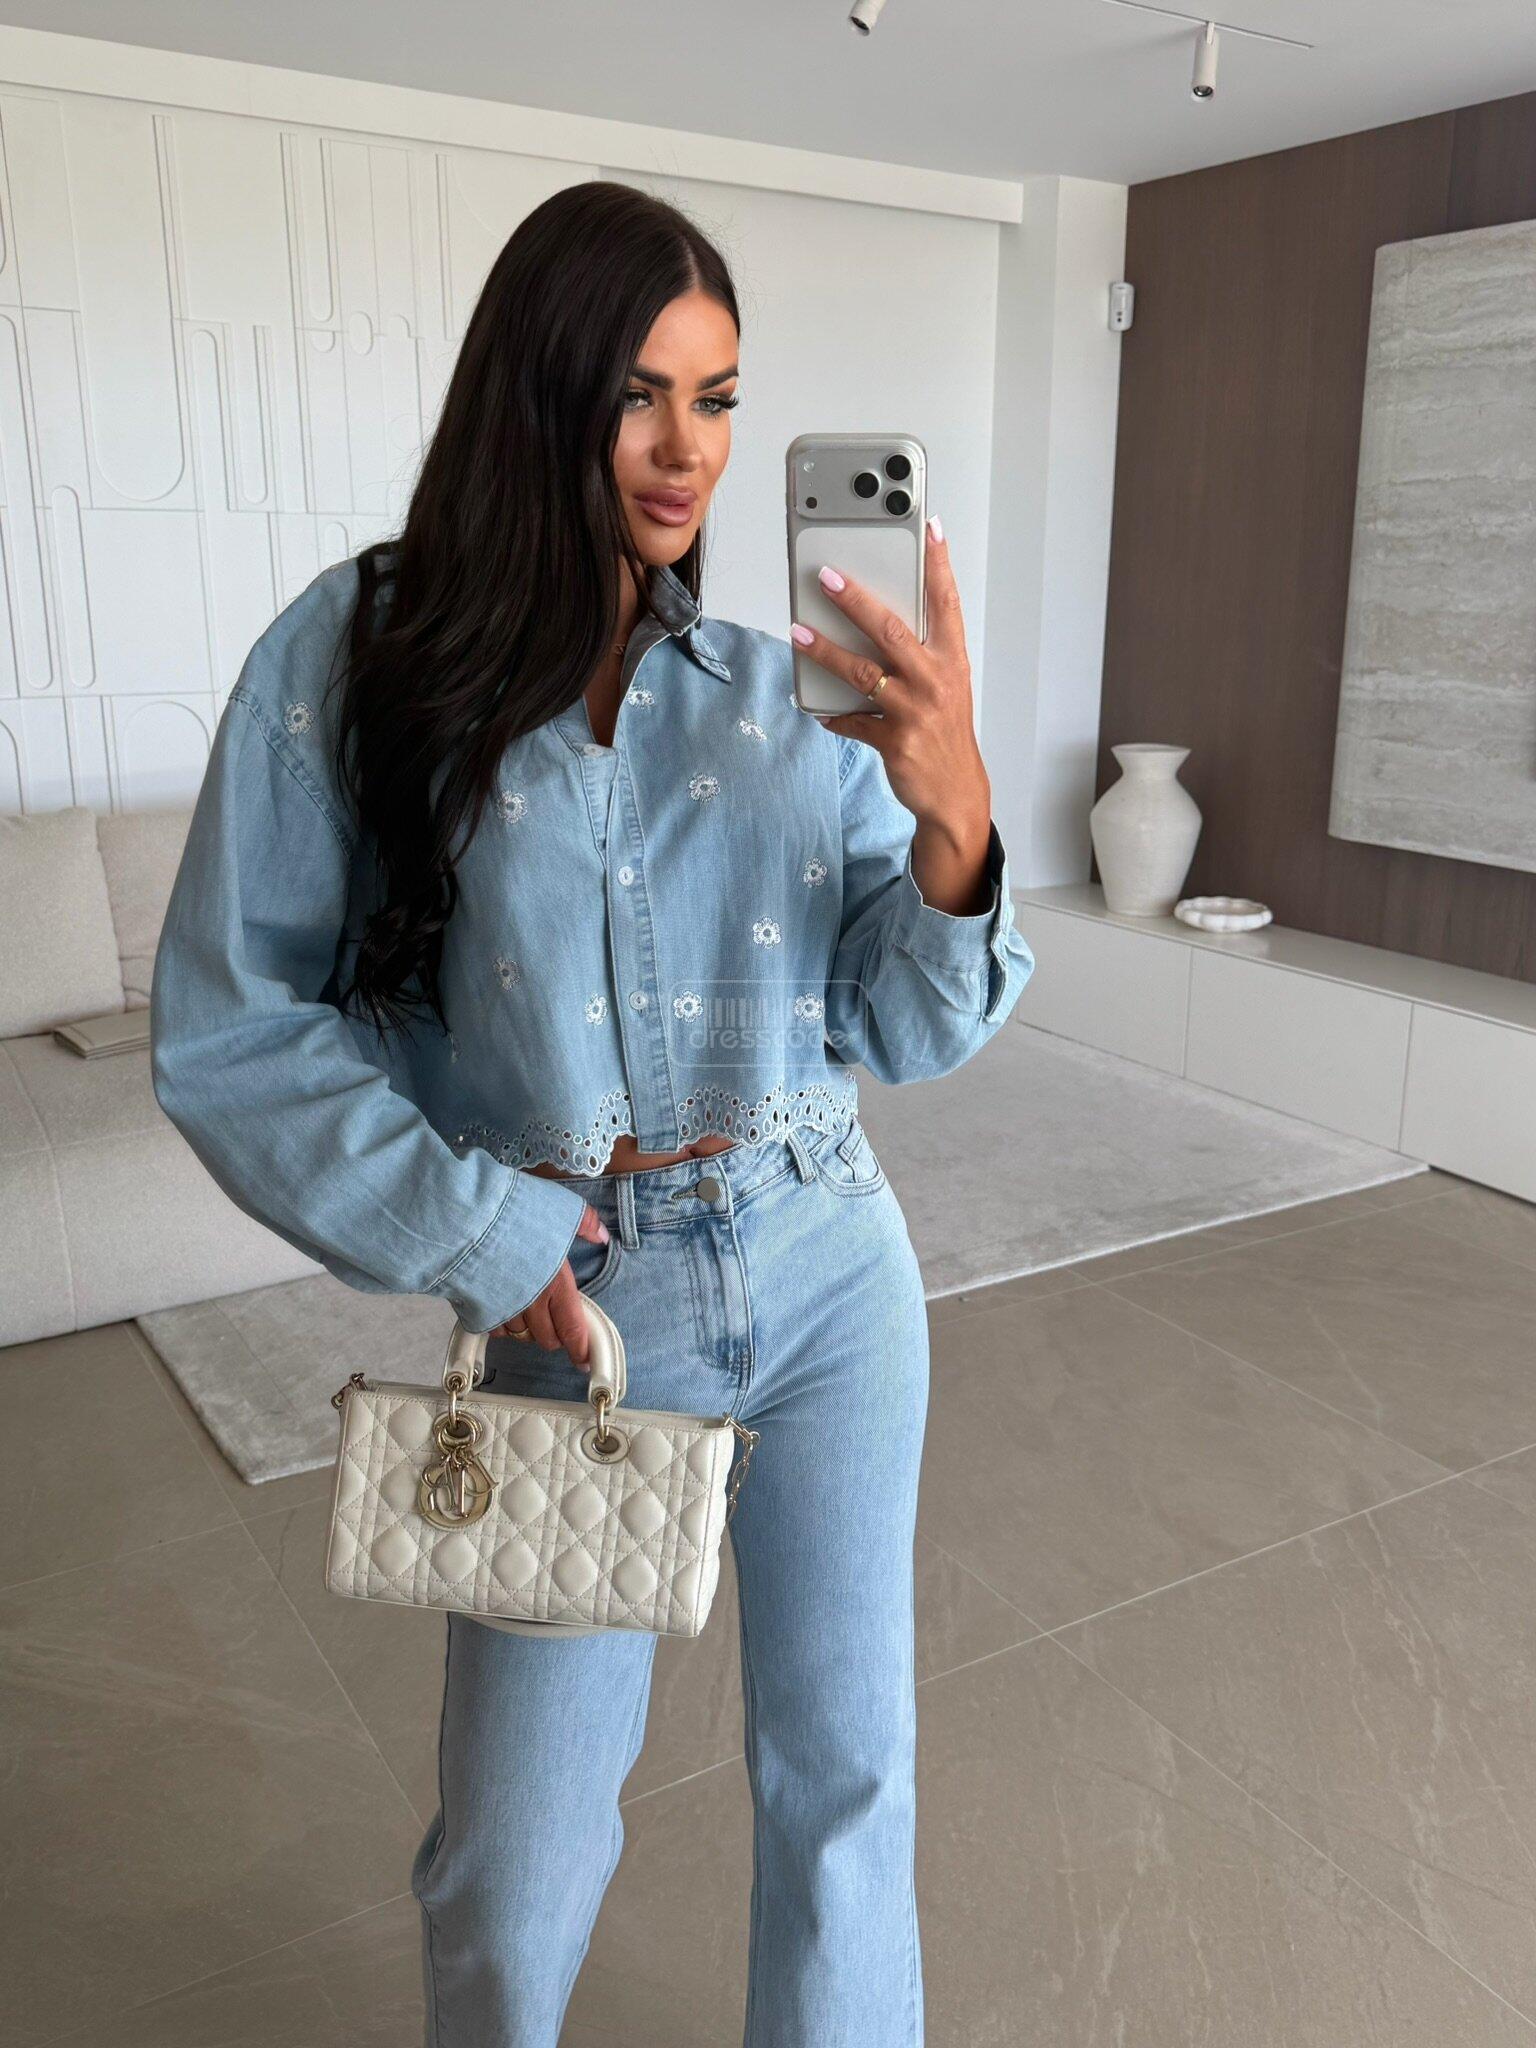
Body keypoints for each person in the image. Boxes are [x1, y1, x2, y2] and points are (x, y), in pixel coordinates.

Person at [149, 177, 1035, 2048]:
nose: (686, 450)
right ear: (537, 386)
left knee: (847, 1786)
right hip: (572, 1307)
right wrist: (486, 1229)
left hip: (826, 1259)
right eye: (639, 393)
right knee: (514, 1861)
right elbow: (230, 1030)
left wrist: (955, 816)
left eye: (718, 399)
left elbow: (898, 1018)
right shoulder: (358, 660)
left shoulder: (790, 690)